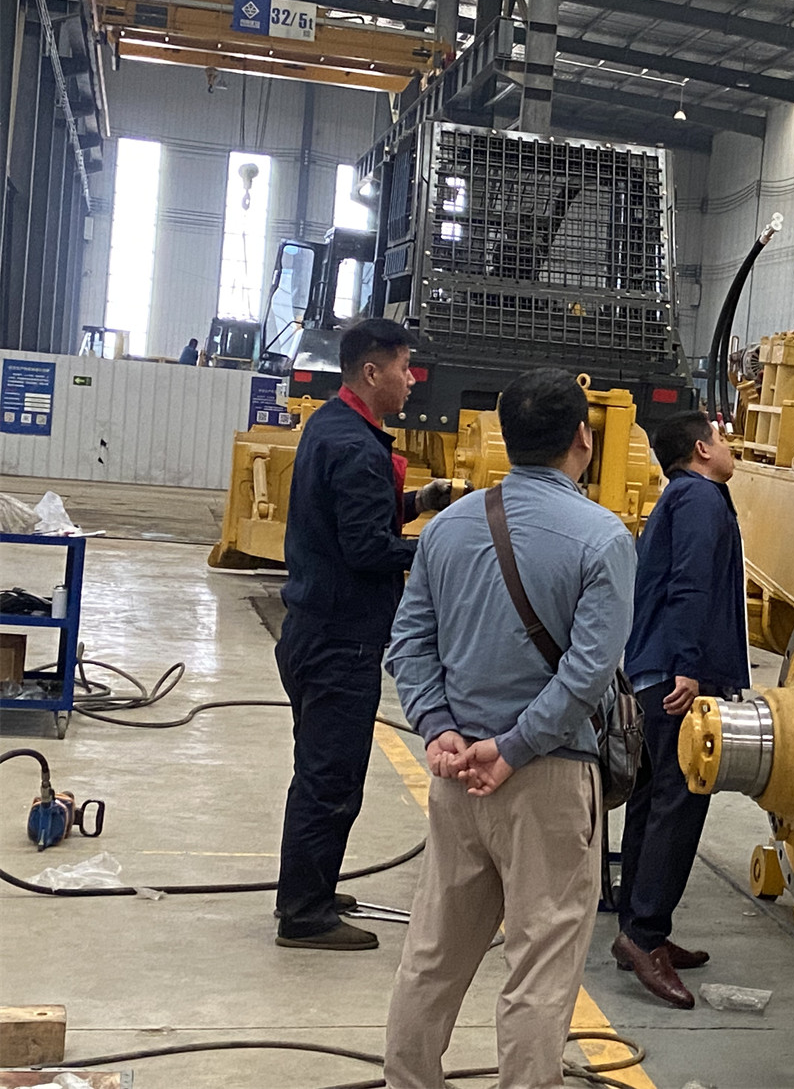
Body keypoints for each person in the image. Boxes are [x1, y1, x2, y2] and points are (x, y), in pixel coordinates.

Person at [384, 369, 636, 1089]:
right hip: (548, 776)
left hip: (457, 772)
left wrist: (437, 727)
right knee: (540, 969)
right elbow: (587, 673)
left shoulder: (448, 527)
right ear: (583, 438)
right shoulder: (603, 538)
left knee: (433, 955)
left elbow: (409, 642)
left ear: (504, 435)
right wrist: (515, 747)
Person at [274, 318, 452, 951]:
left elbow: (353, 516)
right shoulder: (354, 446)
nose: (412, 380)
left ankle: (310, 886)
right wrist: (441, 548)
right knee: (331, 780)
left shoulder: (334, 425)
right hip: (339, 641)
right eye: (404, 368)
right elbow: (368, 548)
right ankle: (304, 914)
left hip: (314, 629)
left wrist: (419, 502)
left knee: (318, 772)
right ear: (372, 372)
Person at [613, 410, 748, 1009]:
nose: (729, 444)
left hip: (657, 668)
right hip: (678, 676)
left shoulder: (680, 497)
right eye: (722, 438)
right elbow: (691, 584)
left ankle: (638, 927)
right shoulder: (700, 498)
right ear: (701, 449)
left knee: (653, 798)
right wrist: (688, 666)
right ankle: (645, 936)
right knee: (680, 800)